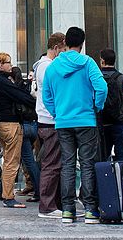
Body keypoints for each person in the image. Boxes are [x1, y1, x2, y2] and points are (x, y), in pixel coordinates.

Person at [41, 26, 106, 225]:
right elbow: (101, 87)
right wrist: (96, 106)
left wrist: (56, 113)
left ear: (65, 43)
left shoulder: (52, 67)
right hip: (86, 120)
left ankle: (67, 211)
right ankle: (89, 210)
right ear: (82, 43)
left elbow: (46, 96)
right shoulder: (88, 63)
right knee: (87, 164)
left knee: (67, 165)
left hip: (63, 122)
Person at [0, 52, 36, 209]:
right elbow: (23, 97)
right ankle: (8, 197)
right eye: (8, 62)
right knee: (11, 162)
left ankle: (5, 192)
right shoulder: (2, 81)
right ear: (1, 65)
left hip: (3, 124)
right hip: (11, 125)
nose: (11, 65)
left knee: (9, 160)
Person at [33, 32, 66, 219]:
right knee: (52, 164)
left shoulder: (41, 66)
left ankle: (54, 204)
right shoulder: (48, 67)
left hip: (46, 120)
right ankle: (47, 206)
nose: (64, 53)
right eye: (62, 49)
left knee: (52, 163)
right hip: (51, 120)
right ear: (56, 48)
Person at [98, 48, 123, 164]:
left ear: (102, 61)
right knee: (122, 159)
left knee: (102, 159)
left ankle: (105, 182)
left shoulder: (96, 78)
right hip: (120, 123)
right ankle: (122, 181)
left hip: (102, 124)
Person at [11, 65, 40, 201]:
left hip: (22, 125)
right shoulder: (28, 86)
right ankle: (38, 190)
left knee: (13, 160)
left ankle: (4, 189)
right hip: (33, 124)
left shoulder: (14, 90)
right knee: (31, 161)